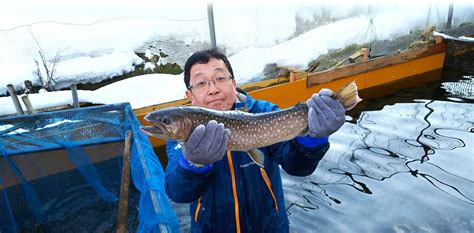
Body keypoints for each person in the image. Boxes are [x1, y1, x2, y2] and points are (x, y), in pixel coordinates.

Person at [165, 49, 345, 232]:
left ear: (233, 84)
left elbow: (298, 167)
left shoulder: (264, 112)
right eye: (201, 83)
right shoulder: (183, 136)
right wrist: (193, 164)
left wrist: (314, 139)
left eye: (220, 78)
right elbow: (178, 192)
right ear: (190, 96)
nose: (213, 89)